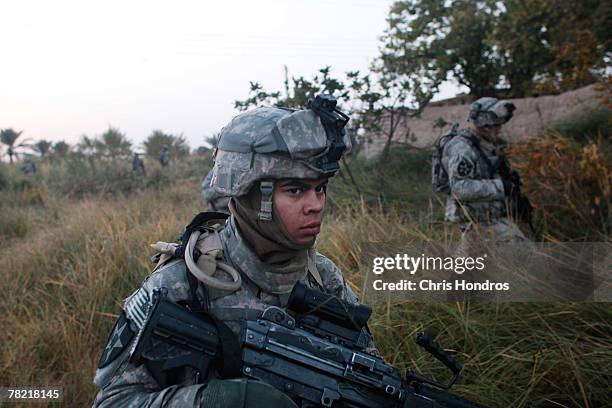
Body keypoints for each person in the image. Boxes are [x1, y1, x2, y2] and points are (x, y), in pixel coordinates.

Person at [92, 96, 373, 407]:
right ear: (249, 194)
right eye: (295, 190)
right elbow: (113, 401)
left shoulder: (323, 278)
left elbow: (367, 378)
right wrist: (214, 400)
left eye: (320, 188)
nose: (315, 205)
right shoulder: (184, 283)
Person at [439, 97, 531, 251]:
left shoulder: (484, 145)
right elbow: (460, 188)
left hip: (486, 218)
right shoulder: (462, 148)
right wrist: (502, 187)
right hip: (477, 221)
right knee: (530, 257)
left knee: (470, 270)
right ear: (484, 124)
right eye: (495, 125)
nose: (499, 129)